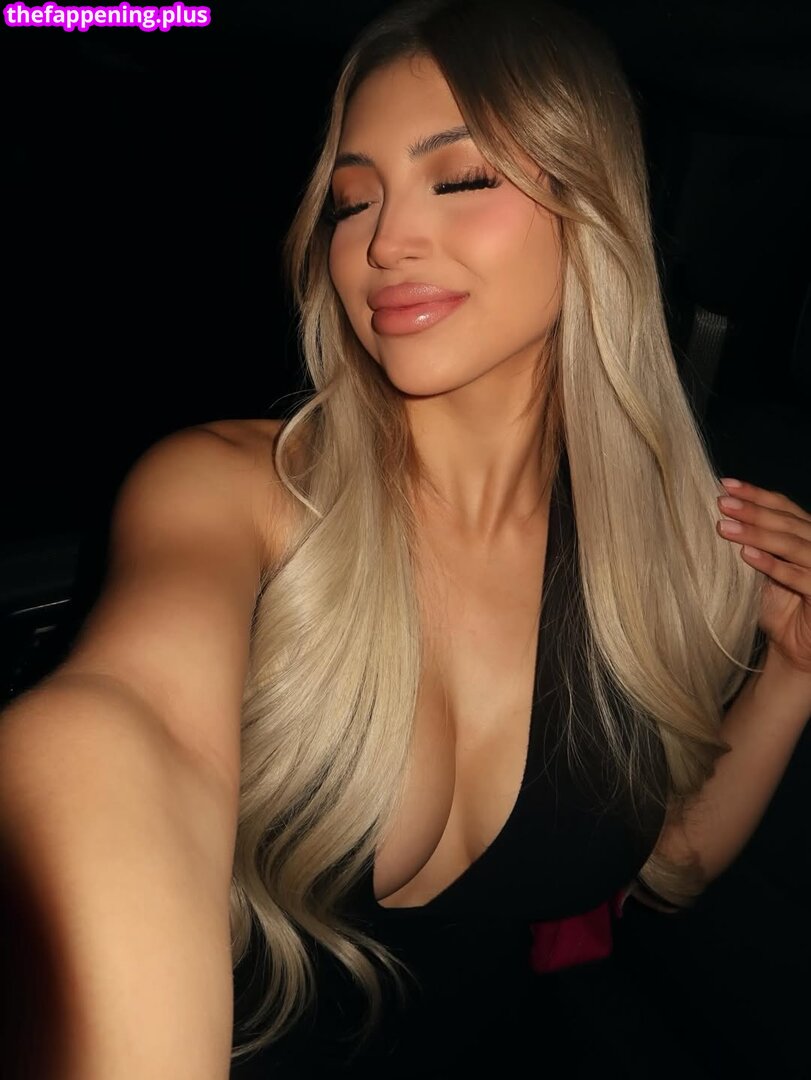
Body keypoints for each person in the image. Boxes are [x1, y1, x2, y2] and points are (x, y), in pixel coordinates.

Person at [2, 0, 811, 1077]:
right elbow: (125, 732)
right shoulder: (235, 492)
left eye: (460, 178)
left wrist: (791, 674)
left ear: (595, 211)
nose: (383, 242)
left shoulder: (665, 556)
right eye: (352, 199)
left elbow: (666, 863)